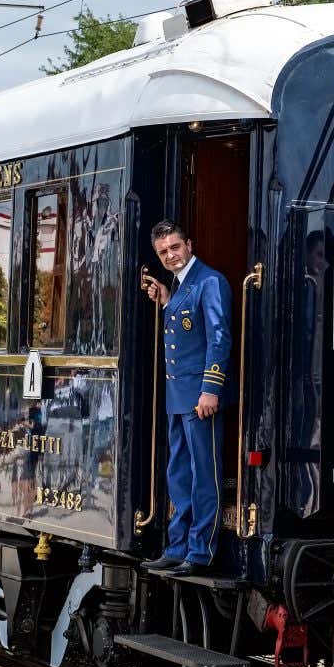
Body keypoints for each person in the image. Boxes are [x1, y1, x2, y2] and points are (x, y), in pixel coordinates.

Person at [140, 220, 232, 575]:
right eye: (163, 252)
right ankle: (177, 545)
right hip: (178, 396)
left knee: (202, 474)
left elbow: (219, 337)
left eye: (175, 247)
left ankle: (199, 551)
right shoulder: (180, 286)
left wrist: (211, 388)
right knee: (178, 474)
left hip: (199, 397)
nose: (170, 255)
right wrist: (167, 301)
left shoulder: (209, 281)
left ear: (189, 245)